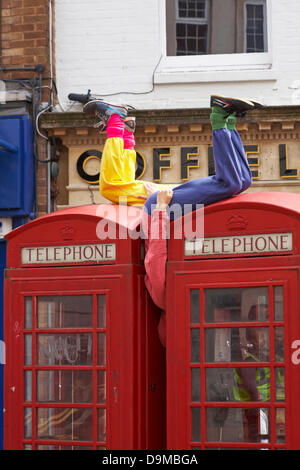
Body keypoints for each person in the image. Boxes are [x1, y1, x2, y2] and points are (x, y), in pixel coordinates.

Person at [83, 94, 260, 346]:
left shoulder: (164, 297)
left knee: (229, 182)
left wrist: (160, 209)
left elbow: (156, 252)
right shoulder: (196, 299)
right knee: (242, 182)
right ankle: (226, 121)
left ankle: (218, 117)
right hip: (163, 213)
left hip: (159, 210)